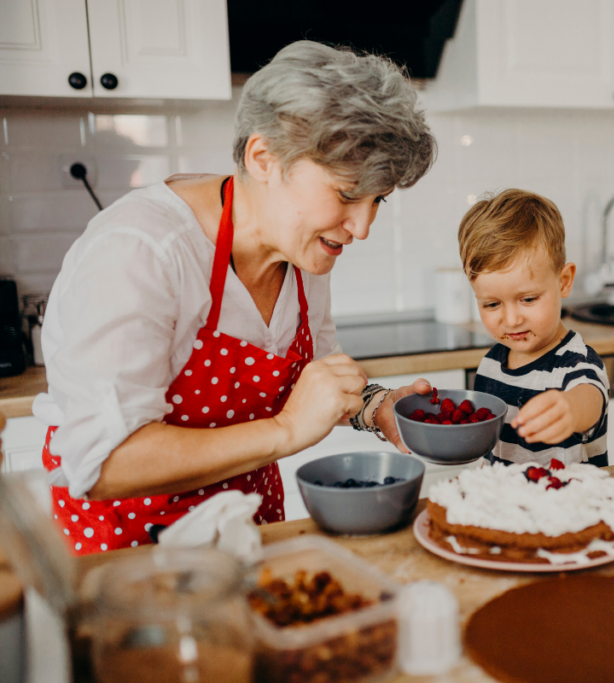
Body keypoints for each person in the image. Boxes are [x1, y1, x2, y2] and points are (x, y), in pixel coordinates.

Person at [35, 42, 437, 555]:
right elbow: (103, 463)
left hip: (248, 540)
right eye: (346, 193)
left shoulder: (302, 250)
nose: (361, 227)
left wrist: (375, 407)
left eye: (377, 200)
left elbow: (313, 383)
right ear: (263, 157)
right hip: (130, 563)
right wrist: (287, 429)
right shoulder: (141, 250)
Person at [457, 189, 609, 468]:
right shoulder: (491, 363)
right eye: (491, 304)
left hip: (568, 507)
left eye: (528, 299)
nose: (512, 320)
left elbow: (589, 399)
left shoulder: (577, 363)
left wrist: (570, 409)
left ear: (563, 281)